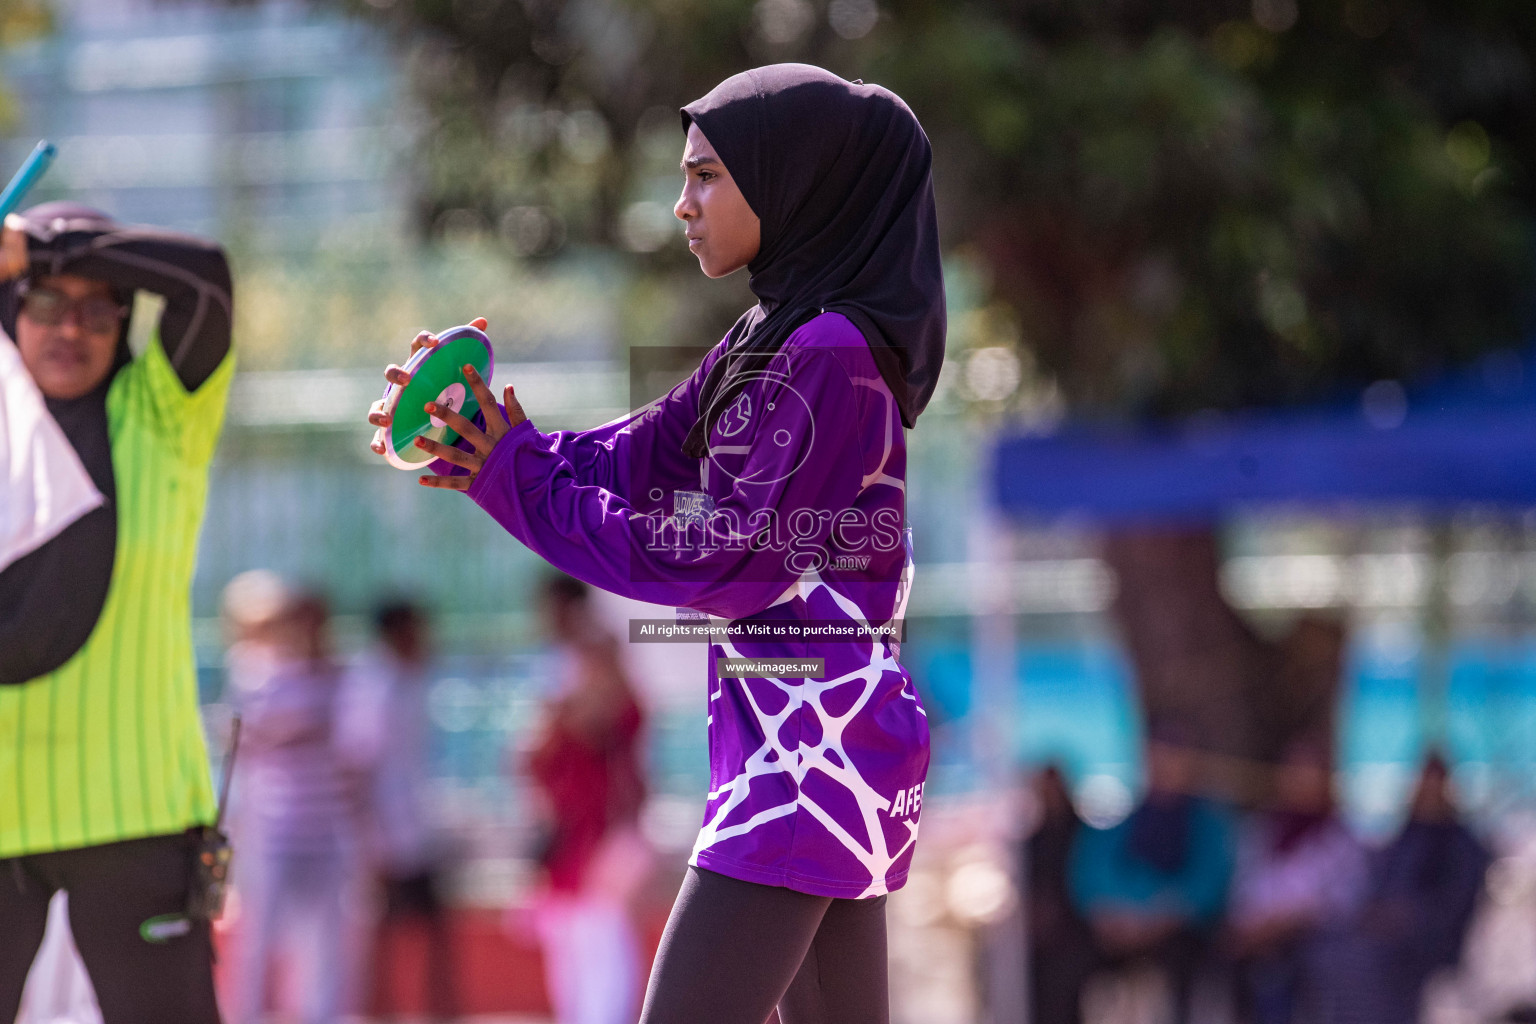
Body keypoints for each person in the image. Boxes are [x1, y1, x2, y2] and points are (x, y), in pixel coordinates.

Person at [367, 64, 944, 1024]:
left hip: (811, 756)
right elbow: (641, 457)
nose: (681, 205)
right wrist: (490, 441)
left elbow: (718, 563)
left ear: (794, 181)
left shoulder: (830, 354)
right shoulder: (775, 337)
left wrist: (513, 473)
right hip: (827, 747)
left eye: (709, 176)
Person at [0, 203, 234, 1024]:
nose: (72, 327)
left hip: (133, 816)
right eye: (44, 302)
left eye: (100, 307)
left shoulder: (160, 414)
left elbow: (205, 277)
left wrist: (42, 249)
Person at [522, 574, 648, 1024]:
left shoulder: (603, 668)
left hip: (602, 830)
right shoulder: (557, 668)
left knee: (603, 936)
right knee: (569, 944)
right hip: (565, 830)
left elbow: (591, 726)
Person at [228, 590, 358, 1024]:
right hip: (273, 827)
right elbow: (243, 740)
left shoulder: (341, 678)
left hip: (325, 827)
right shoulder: (258, 677)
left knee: (325, 943)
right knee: (259, 937)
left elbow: (355, 742)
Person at [335, 599, 458, 1023]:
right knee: (383, 936)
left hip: (415, 827)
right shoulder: (374, 685)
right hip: (387, 833)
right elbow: (355, 767)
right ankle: (376, 1014)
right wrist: (369, 839)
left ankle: (434, 1014)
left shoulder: (410, 679)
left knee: (431, 932)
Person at [1306, 752, 1490, 1024]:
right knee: (1327, 950)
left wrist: (1406, 918)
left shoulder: (1463, 847)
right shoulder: (1403, 837)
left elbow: (1454, 906)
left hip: (1428, 942)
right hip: (1380, 933)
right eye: (1423, 781)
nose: (1428, 789)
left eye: (1435, 782)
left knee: (1365, 962)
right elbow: (1373, 889)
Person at [1069, 733, 1234, 1023]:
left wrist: (1159, 917)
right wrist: (1112, 915)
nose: (1165, 768)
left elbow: (1208, 886)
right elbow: (1090, 873)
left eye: (1173, 758)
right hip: (1117, 931)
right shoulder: (1121, 816)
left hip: (1180, 934)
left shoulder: (1207, 822)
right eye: (1157, 758)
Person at [1227, 737, 1368, 1024]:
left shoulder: (1341, 838)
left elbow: (1346, 902)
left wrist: (1288, 922)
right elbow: (1241, 888)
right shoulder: (1260, 829)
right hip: (1255, 937)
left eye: (1309, 774)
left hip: (1314, 941)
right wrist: (1253, 926)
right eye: (1294, 773)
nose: (1300, 783)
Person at [1024, 765, 1097, 1024]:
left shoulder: (1083, 834)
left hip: (1076, 931)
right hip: (1038, 938)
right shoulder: (1032, 839)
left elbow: (1086, 886)